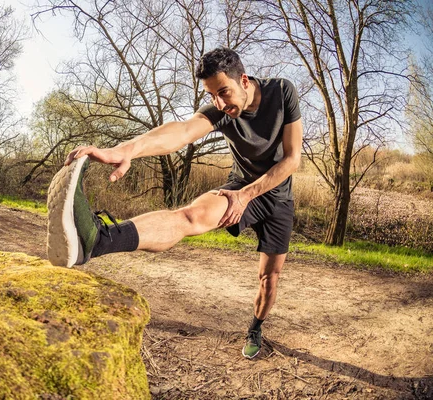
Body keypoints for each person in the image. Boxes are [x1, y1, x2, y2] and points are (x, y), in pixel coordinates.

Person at [46, 47, 302, 359]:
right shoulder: (220, 111)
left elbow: (291, 160)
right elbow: (181, 132)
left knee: (268, 279)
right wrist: (125, 149)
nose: (220, 103)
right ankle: (95, 241)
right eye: (212, 96)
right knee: (190, 216)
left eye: (224, 92)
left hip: (277, 199)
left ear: (244, 80)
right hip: (239, 186)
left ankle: (256, 326)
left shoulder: (282, 92)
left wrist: (246, 196)